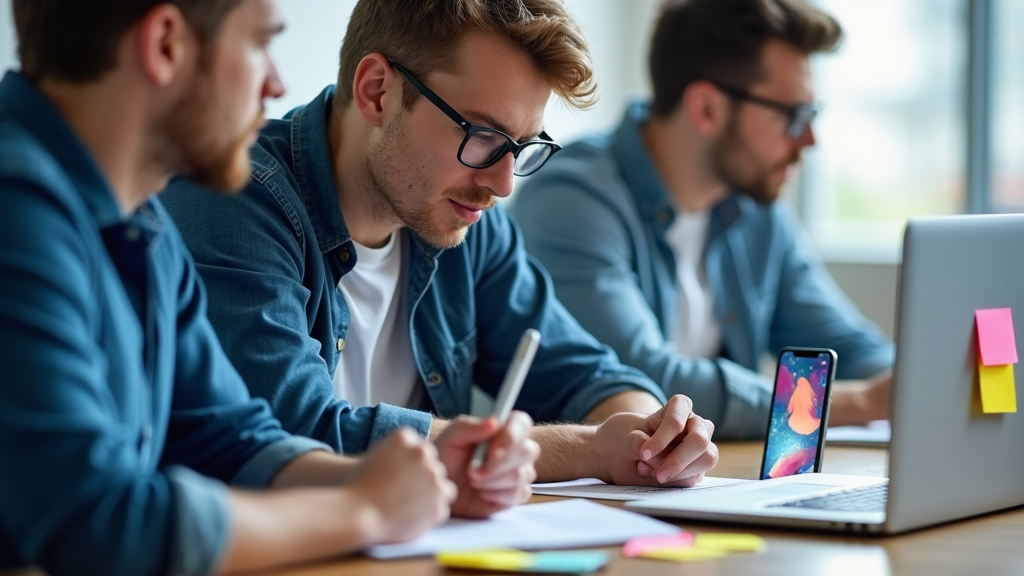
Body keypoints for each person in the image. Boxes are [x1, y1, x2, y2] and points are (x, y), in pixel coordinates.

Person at [0, 1, 540, 574]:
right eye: (259, 44)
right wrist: (362, 509)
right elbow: (99, 525)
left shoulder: (141, 224)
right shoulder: (18, 214)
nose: (277, 83)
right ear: (165, 45)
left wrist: (412, 477)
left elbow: (230, 438)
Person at [160, 0, 719, 488]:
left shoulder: (466, 218)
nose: (502, 184)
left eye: (521, 146)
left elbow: (586, 374)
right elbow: (294, 432)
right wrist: (589, 449)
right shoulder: (235, 195)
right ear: (377, 91)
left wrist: (653, 437)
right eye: (482, 136)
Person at [509, 0, 894, 439]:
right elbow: (644, 376)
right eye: (793, 116)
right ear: (707, 108)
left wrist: (912, 385)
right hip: (581, 493)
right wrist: (862, 401)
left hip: (708, 479)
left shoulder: (757, 209)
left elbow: (844, 345)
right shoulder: (572, 198)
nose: (809, 140)